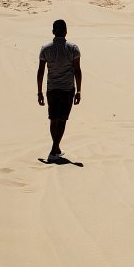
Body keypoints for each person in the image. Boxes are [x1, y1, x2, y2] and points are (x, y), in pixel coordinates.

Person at [37, 19, 82, 162]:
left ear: (53, 32)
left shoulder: (45, 48)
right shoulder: (73, 48)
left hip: (51, 89)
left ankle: (56, 149)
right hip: (67, 89)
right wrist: (79, 91)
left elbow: (40, 72)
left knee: (53, 119)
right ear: (66, 31)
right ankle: (53, 151)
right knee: (62, 120)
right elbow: (77, 71)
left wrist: (39, 92)